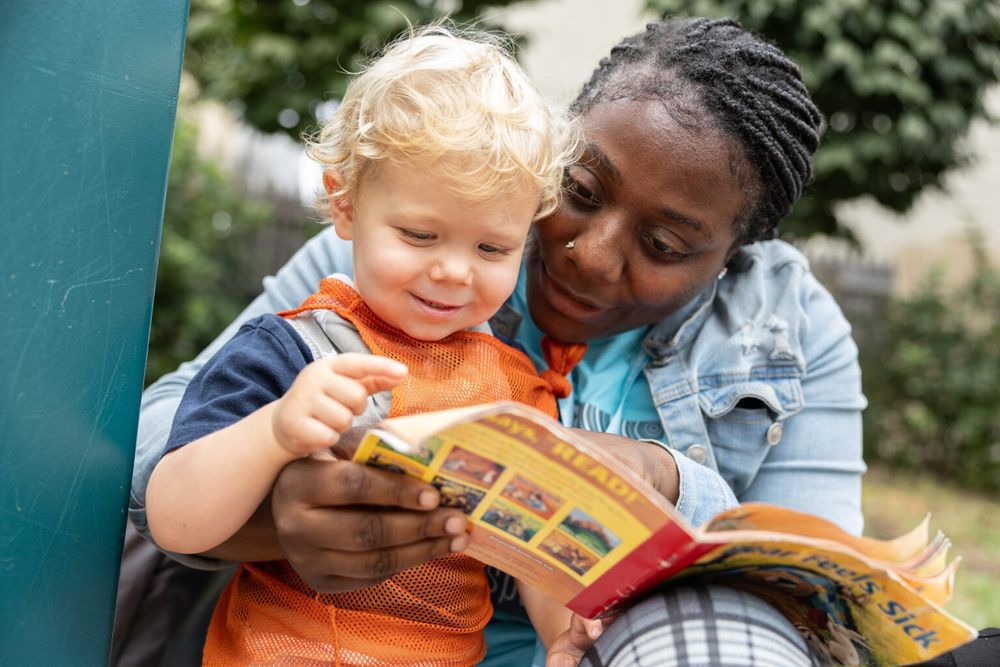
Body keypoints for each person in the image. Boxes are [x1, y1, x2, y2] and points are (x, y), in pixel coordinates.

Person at [124, 16, 872, 667]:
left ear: (733, 256)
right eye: (579, 191)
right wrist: (271, 490)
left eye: (665, 242)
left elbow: (822, 592)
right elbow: (162, 444)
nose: (590, 253)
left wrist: (658, 480)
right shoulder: (388, 271)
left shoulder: (786, 328)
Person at [142, 24, 585, 665]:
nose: (456, 271)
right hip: (283, 649)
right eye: (419, 235)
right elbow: (174, 521)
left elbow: (534, 554)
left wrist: (562, 636)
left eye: (493, 248)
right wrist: (272, 433)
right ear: (345, 206)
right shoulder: (291, 348)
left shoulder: (518, 388)